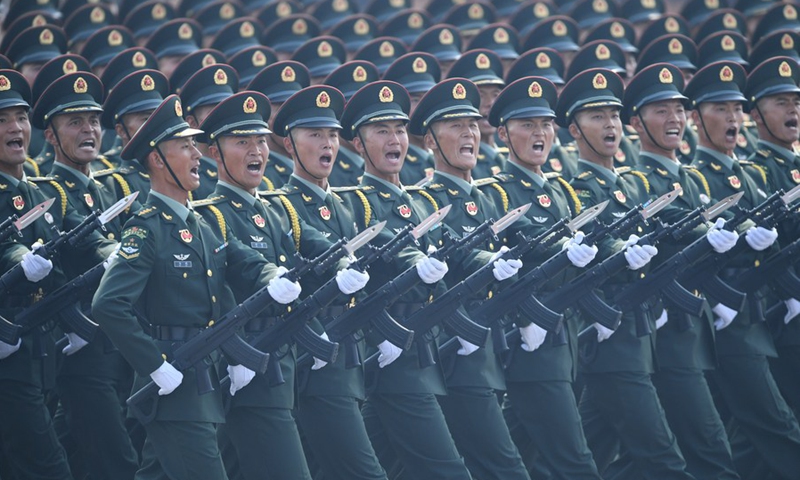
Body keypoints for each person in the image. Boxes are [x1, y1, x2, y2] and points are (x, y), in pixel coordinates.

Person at [91, 94, 302, 480]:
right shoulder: (146, 227)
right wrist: (153, 365)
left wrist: (272, 277)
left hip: (200, 385)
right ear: (158, 160)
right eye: (185, 147)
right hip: (173, 386)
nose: (197, 155)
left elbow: (238, 261)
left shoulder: (198, 225)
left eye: (194, 145)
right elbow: (108, 305)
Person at [195, 89, 369, 480]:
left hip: (282, 366)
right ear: (214, 153)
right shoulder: (211, 215)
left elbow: (318, 243)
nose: (256, 151)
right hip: (245, 363)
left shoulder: (278, 210)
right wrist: (272, 276)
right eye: (242, 142)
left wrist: (347, 262)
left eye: (259, 140)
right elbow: (242, 260)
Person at [555, 68, 694, 479]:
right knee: (663, 458)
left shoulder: (634, 186)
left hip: (639, 334)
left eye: (614, 115)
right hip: (611, 337)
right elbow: (593, 242)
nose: (610, 124)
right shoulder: (577, 190)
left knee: (596, 453)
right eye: (597, 117)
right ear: (575, 130)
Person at [338, 79, 471, 479]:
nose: (395, 139)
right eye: (381, 131)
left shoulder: (419, 201)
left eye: (398, 129)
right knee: (447, 469)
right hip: (395, 356)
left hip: (421, 351)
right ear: (359, 145)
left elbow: (454, 251)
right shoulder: (356, 202)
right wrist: (421, 260)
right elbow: (394, 249)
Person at [408, 77, 530, 480]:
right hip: (455, 355)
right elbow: (451, 253)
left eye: (473, 125)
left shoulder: (488, 197)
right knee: (504, 467)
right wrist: (490, 259)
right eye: (455, 126)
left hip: (488, 349)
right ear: (430, 140)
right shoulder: (424, 200)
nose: (468, 134)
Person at [625, 62, 741, 480]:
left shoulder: (692, 179)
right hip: (666, 333)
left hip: (697, 329)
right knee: (706, 448)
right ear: (635, 122)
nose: (673, 119)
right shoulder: (637, 182)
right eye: (660, 110)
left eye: (678, 109)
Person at [686, 60, 800, 480]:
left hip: (763, 317)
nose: (732, 119)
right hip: (728, 322)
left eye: (736, 109)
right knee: (774, 424)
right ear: (697, 118)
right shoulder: (697, 178)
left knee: (747, 438)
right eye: (721, 110)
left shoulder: (747, 176)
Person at [485, 76, 602, 480]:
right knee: (575, 459)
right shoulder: (498, 194)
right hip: (531, 342)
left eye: (546, 124)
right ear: (503, 133)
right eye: (528, 125)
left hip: (562, 338)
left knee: (525, 453)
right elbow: (497, 270)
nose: (540, 133)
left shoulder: (563, 192)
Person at [272, 85, 387, 480]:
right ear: (289, 144)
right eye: (315, 135)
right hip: (318, 364)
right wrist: (346, 260)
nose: (327, 144)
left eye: (333, 135)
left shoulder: (343, 202)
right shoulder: (282, 205)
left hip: (347, 359)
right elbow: (318, 243)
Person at [30, 70, 139, 480]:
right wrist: (125, 254)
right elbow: (92, 239)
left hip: (118, 344)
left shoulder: (110, 189)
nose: (88, 129)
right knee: (115, 459)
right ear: (52, 136)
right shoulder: (49, 191)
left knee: (77, 449)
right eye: (74, 122)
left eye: (93, 120)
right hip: (82, 351)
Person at [744, 56, 800, 419]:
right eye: (780, 103)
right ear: (757, 115)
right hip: (784, 311)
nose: (792, 109)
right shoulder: (759, 172)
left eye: (796, 101)